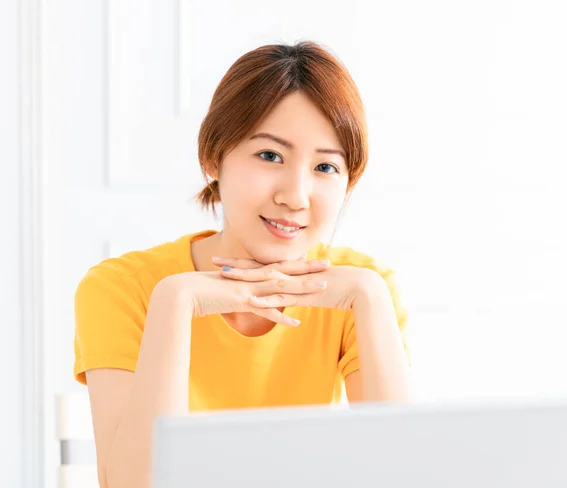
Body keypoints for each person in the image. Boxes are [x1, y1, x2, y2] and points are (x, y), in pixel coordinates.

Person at [73, 40, 413, 488]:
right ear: (214, 158)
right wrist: (177, 301)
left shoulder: (363, 289)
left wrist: (369, 298)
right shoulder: (120, 288)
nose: (295, 196)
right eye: (270, 155)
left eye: (326, 168)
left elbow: (403, 474)